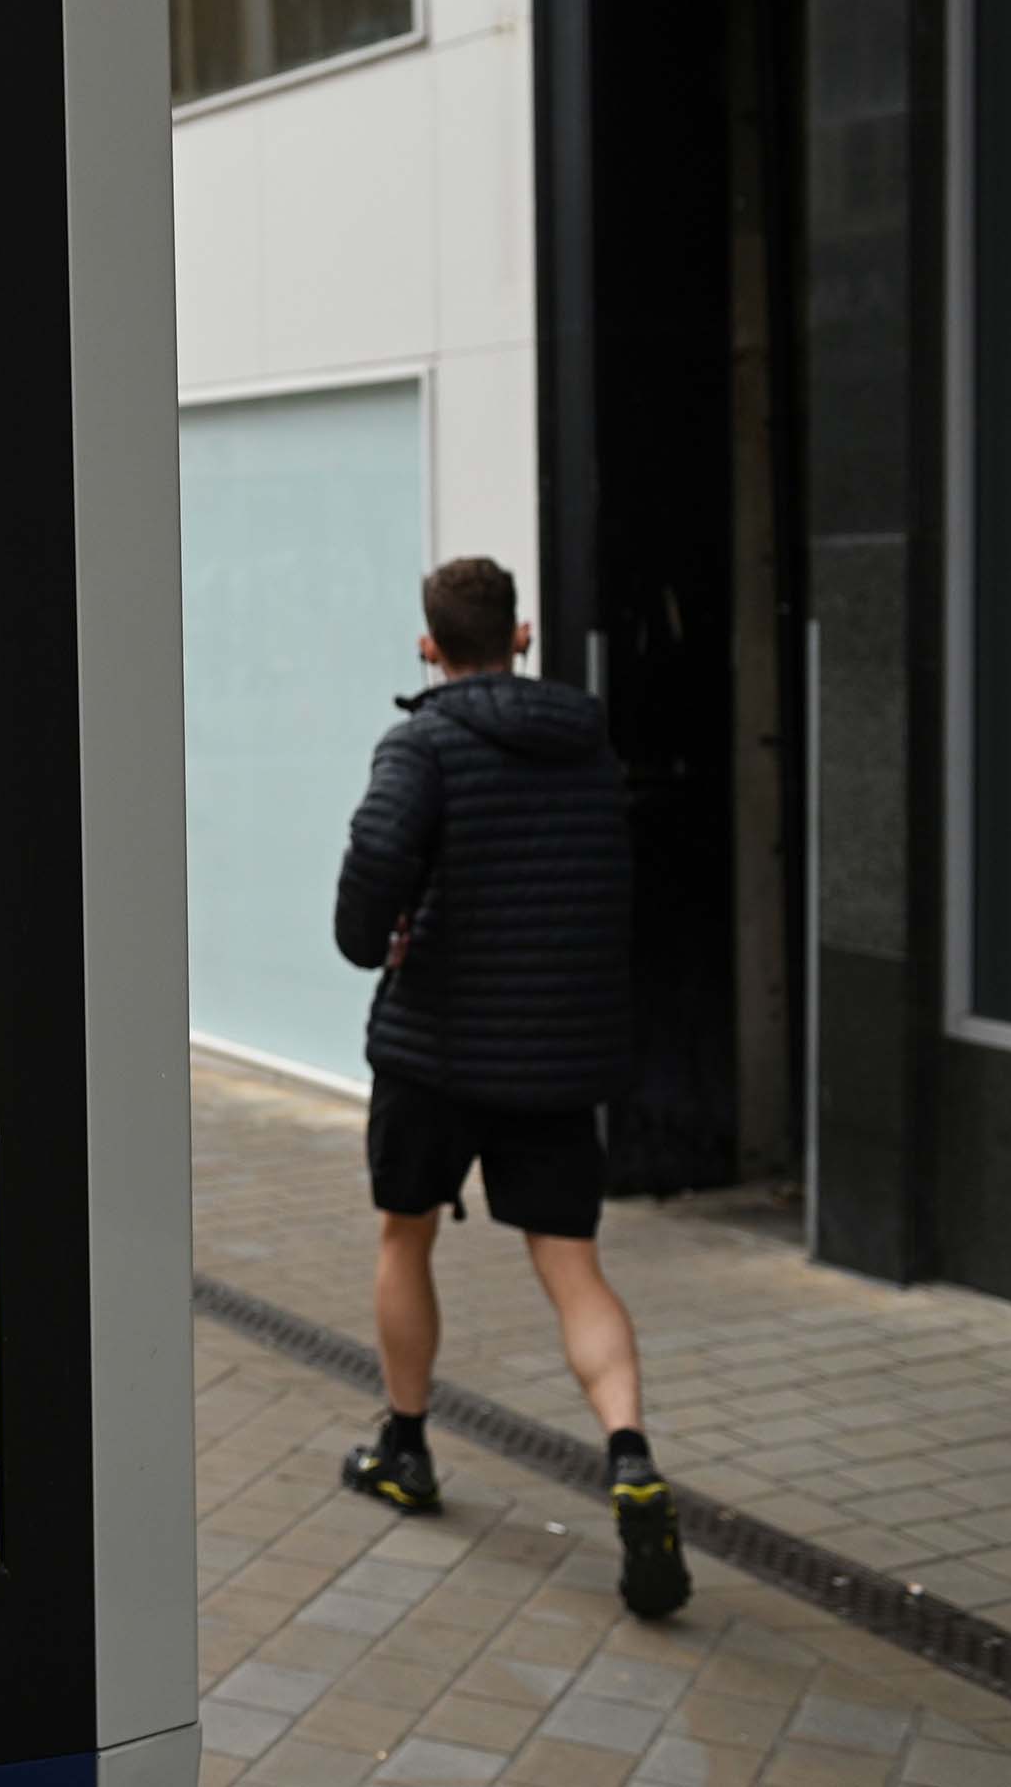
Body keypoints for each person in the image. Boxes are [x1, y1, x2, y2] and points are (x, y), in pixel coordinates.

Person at [332, 557, 689, 1620]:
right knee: (574, 1266)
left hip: (435, 1050)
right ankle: (630, 1457)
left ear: (428, 648)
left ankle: (404, 1446)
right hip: (556, 1059)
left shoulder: (422, 741)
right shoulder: (588, 745)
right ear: (523, 636)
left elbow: (371, 875)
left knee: (405, 1236)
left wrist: (374, 942)